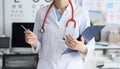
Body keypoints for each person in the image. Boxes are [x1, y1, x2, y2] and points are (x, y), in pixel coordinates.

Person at [24, 0, 95, 69]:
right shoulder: (41, 12)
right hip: (47, 65)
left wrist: (81, 47)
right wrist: (34, 42)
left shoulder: (81, 12)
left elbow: (90, 45)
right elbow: (38, 44)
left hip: (71, 65)